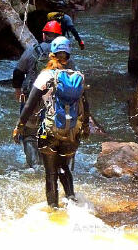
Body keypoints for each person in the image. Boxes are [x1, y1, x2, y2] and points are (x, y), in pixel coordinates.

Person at [12, 36, 90, 208]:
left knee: (51, 173)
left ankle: (54, 211)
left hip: (50, 130)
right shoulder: (78, 77)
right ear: (69, 55)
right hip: (72, 132)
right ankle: (72, 201)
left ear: (51, 55)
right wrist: (85, 127)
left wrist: (19, 127)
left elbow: (29, 106)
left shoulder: (45, 76)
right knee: (64, 167)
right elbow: (85, 105)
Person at [12, 21, 74, 168]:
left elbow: (18, 72)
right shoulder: (66, 57)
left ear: (44, 35)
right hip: (56, 101)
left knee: (30, 135)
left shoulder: (32, 51)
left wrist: (17, 90)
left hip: (32, 98)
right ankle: (56, 166)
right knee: (54, 134)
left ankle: (35, 167)